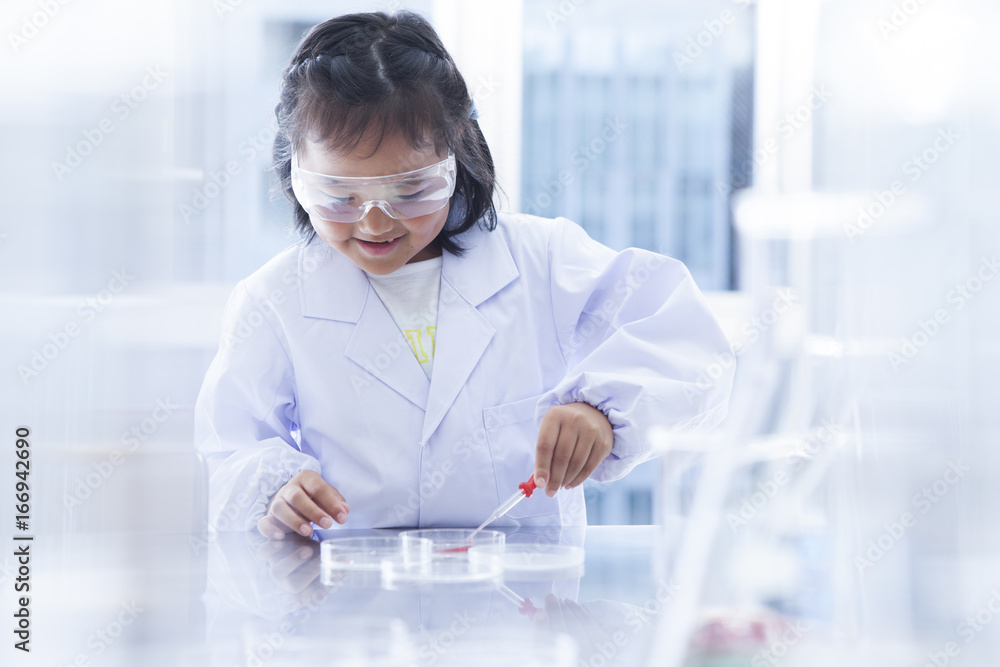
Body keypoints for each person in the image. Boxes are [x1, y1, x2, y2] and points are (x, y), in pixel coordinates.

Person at [194, 10, 733, 539]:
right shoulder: (273, 300)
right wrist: (274, 490)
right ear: (295, 172)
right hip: (357, 607)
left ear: (458, 153)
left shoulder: (541, 261)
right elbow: (231, 450)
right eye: (339, 196)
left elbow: (692, 348)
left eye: (410, 191)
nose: (375, 221)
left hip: (523, 607)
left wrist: (605, 411)